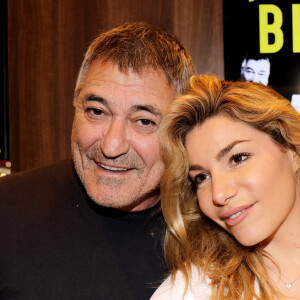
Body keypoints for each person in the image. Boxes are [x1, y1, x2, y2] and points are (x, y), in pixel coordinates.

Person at [0, 22, 194, 299]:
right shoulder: (6, 211)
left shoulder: (216, 229)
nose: (111, 145)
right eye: (96, 111)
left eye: (143, 121)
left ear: (180, 131)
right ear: (75, 106)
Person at [151, 74, 300, 299]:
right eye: (202, 177)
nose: (218, 194)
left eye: (238, 158)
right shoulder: (190, 292)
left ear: (292, 150)